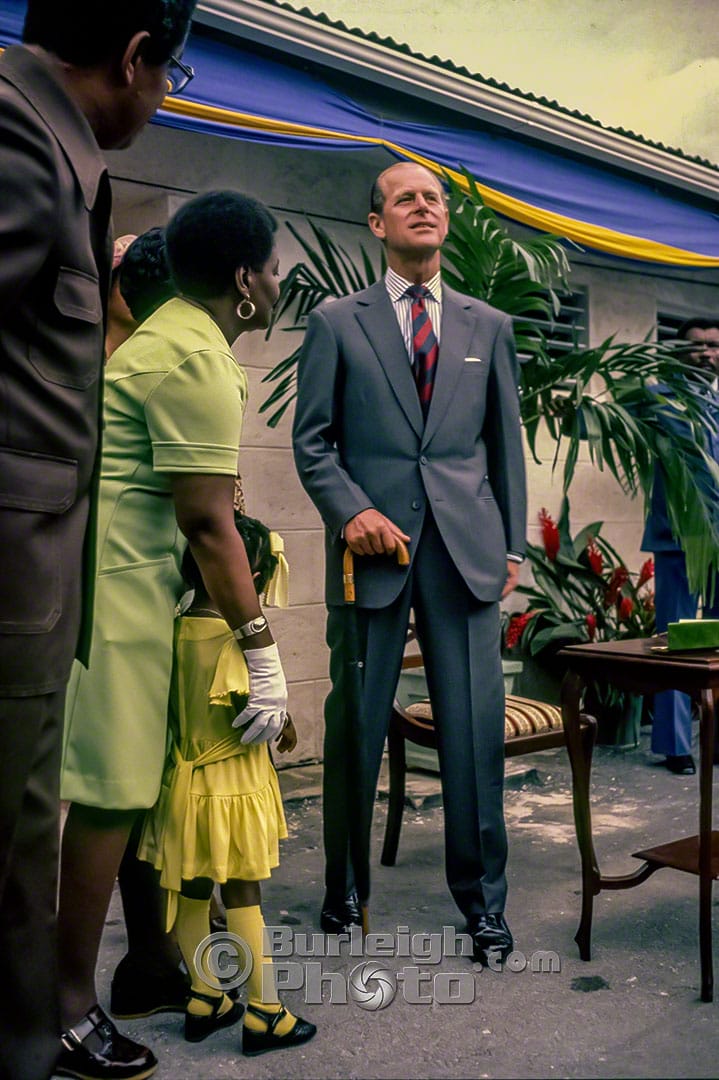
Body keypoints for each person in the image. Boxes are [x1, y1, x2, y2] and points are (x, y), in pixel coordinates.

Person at [0, 4, 196, 1078]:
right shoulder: (18, 139)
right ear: (133, 58)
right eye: (171, 75)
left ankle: (41, 1029)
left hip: (45, 588)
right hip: (24, 578)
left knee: (27, 832)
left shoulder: (56, 151)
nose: (164, 96)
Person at [57, 190, 286, 1080]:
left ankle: (143, 976)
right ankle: (65, 1012)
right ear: (245, 280)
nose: (278, 284)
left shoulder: (167, 340)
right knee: (109, 800)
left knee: (124, 798)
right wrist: (262, 652)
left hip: (121, 590)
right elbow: (206, 521)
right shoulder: (193, 356)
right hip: (119, 601)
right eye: (274, 269)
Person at [292, 161, 527, 965]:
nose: (422, 207)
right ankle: (343, 889)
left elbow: (503, 443)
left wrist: (511, 546)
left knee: (473, 733)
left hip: (466, 553)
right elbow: (312, 441)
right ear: (377, 223)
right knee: (355, 726)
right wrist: (350, 509)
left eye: (433, 198)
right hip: (372, 552)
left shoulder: (488, 326)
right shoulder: (336, 321)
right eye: (405, 199)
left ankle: (483, 904)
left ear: (445, 220)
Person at [138, 513, 316, 1056]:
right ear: (249, 579)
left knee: (193, 890)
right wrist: (285, 722)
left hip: (183, 786)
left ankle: (205, 996)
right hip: (231, 790)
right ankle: (266, 1012)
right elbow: (258, 712)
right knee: (243, 895)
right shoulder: (234, 644)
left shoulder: (175, 628)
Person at [641, 317, 719, 776]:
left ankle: (715, 737)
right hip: (678, 537)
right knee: (675, 639)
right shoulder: (657, 397)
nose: (706, 354)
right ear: (677, 350)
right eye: (697, 346)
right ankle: (674, 745)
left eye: (714, 346)